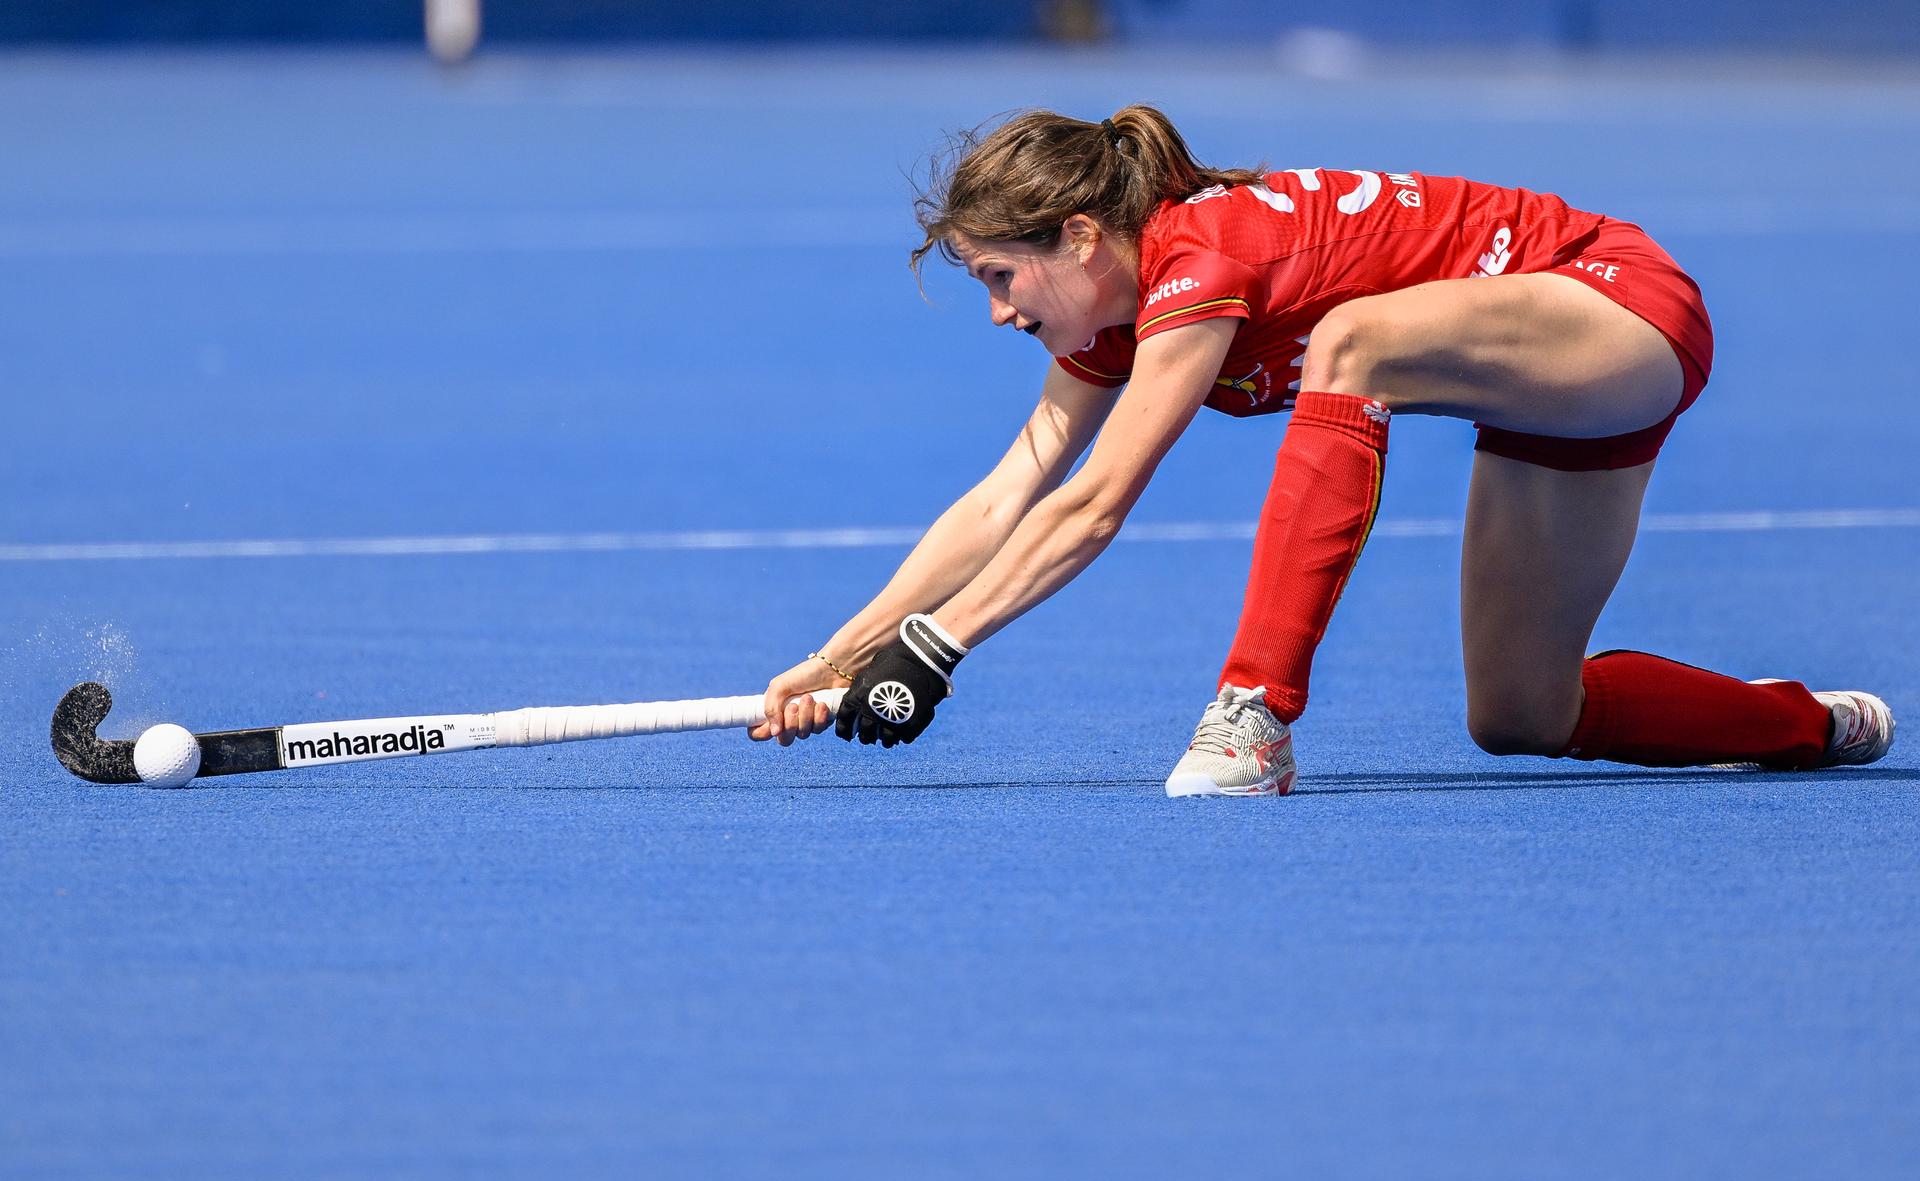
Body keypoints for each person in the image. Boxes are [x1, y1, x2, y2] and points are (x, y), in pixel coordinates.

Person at [750, 105, 1894, 795]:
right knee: (1523, 713)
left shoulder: (1201, 252)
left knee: (1351, 342)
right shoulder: (1115, 314)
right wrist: (844, 653)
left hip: (1617, 307)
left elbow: (1096, 501)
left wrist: (937, 647)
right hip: (1548, 386)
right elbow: (1013, 492)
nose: (998, 311)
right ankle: (1812, 724)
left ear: (1084, 237)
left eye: (1002, 276)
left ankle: (1253, 714)